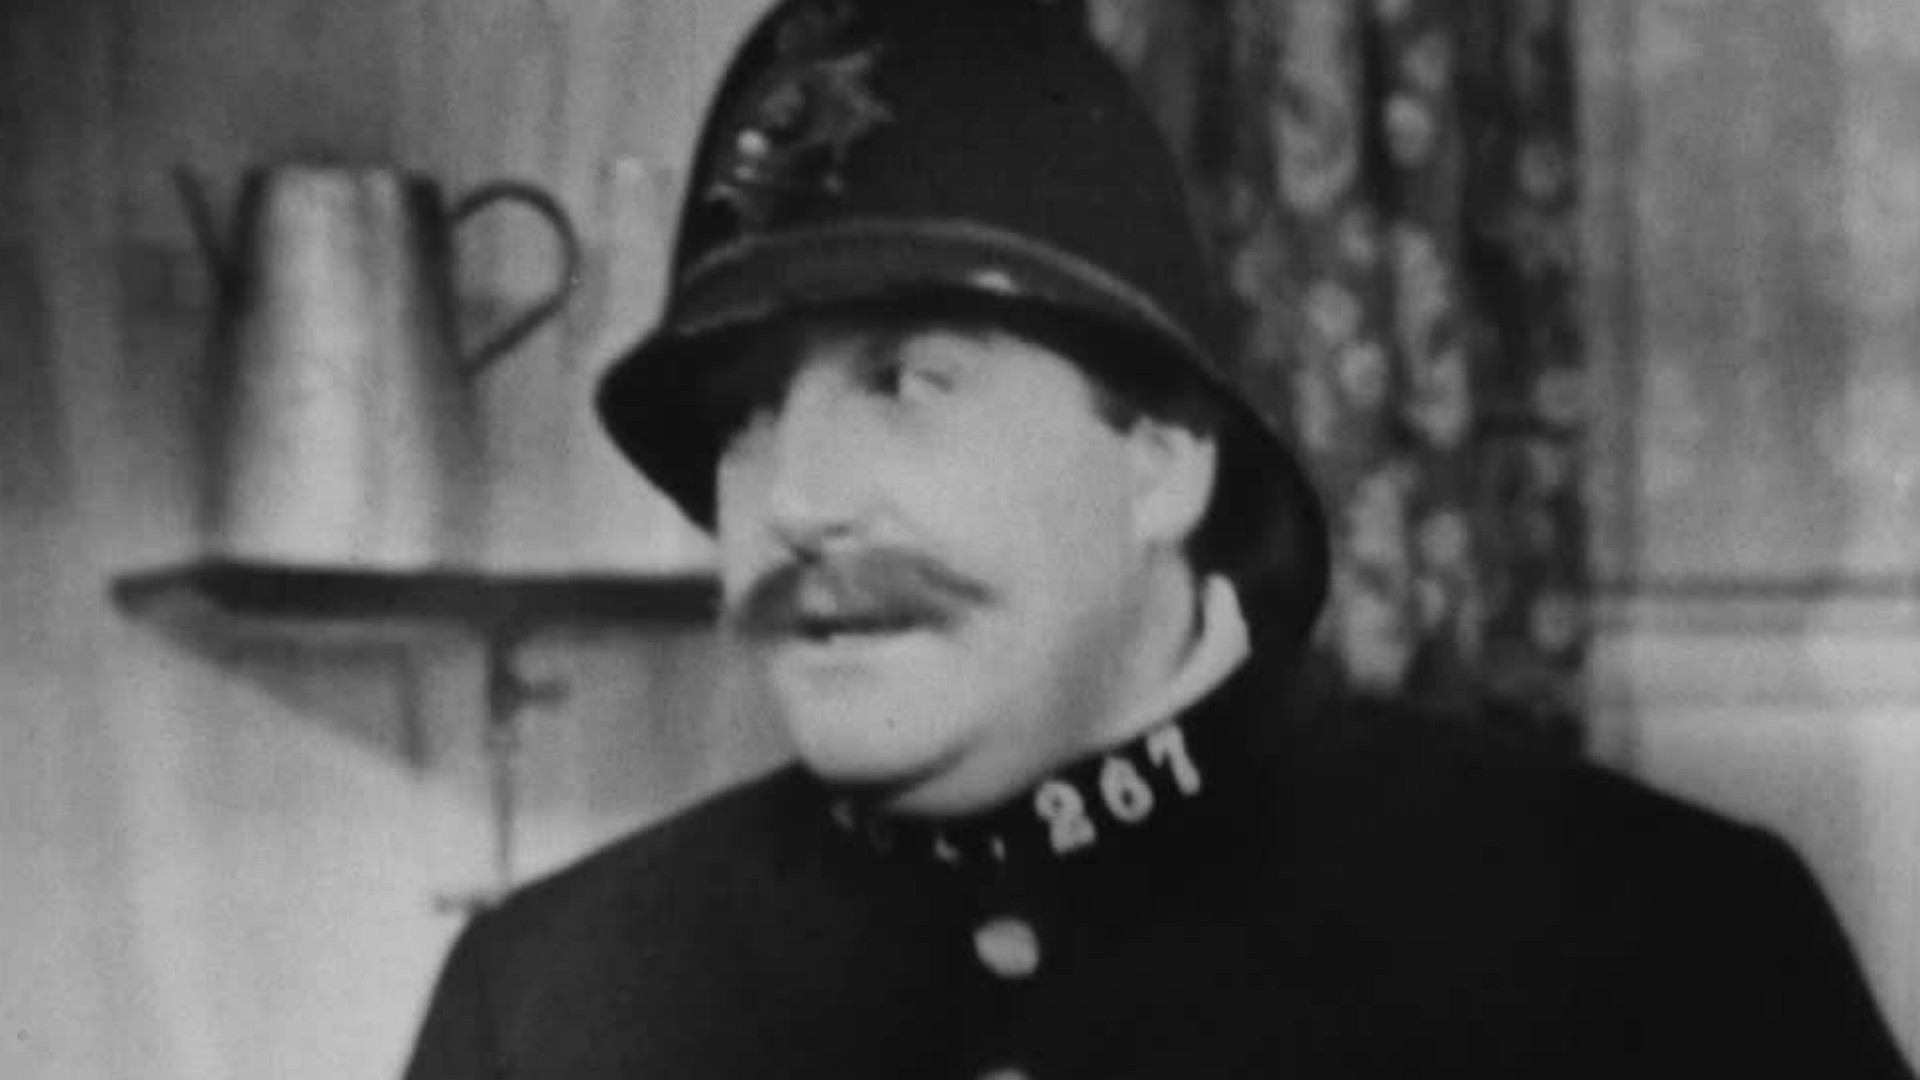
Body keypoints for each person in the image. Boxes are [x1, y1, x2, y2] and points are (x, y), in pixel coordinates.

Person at [403, 1, 1915, 1076]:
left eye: (909, 379)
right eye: (742, 416)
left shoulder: (1656, 949)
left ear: (1165, 462)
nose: (793, 498)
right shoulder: (549, 1009)